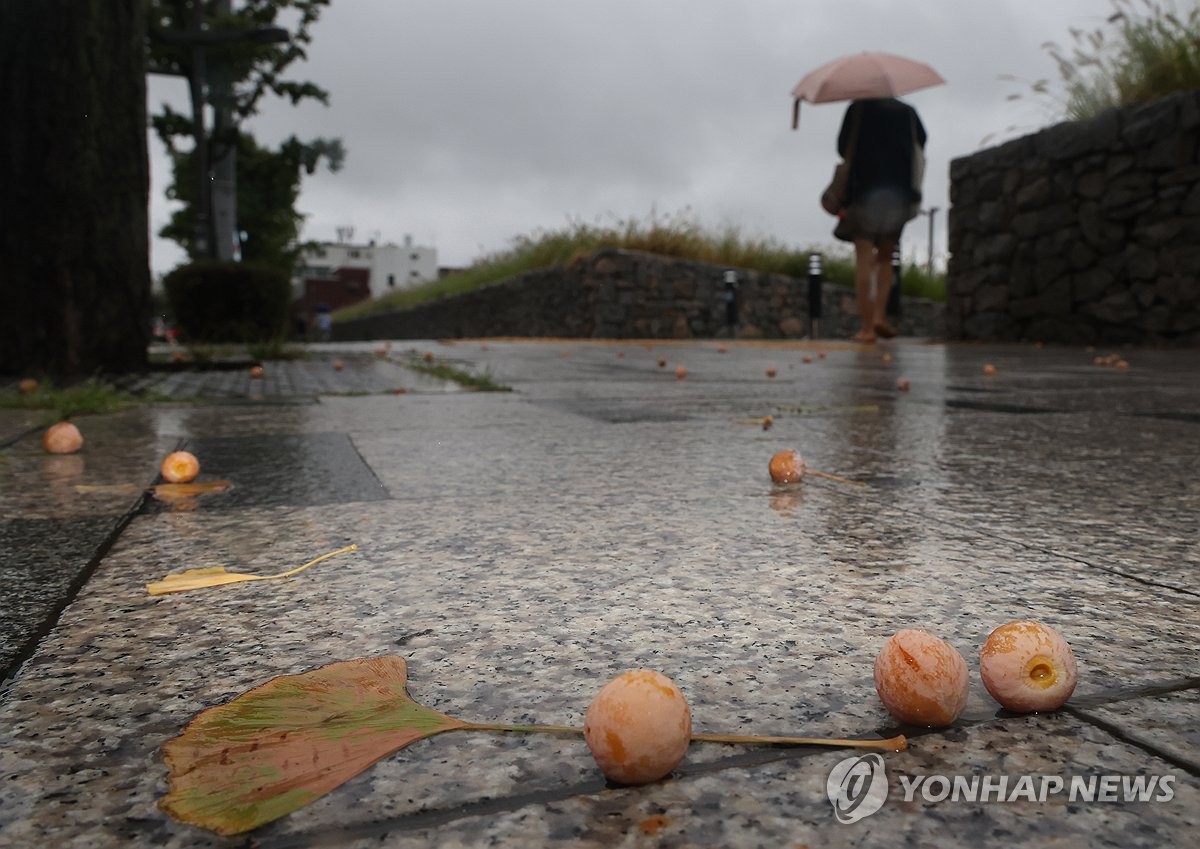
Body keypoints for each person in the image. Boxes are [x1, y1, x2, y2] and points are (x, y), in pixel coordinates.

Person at [834, 97, 927, 344]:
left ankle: (867, 329)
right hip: (899, 194)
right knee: (885, 257)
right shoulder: (908, 112)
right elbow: (921, 144)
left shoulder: (857, 108)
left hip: (864, 190)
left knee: (864, 257)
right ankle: (879, 316)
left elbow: (843, 148)